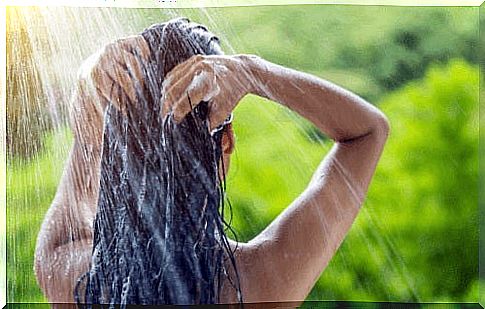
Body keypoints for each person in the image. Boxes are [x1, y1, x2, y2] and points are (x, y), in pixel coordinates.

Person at [34, 17, 389, 305]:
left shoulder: (72, 279)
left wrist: (91, 82)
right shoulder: (257, 283)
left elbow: (86, 144)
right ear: (227, 143)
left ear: (119, 155)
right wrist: (253, 72)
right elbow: (368, 131)